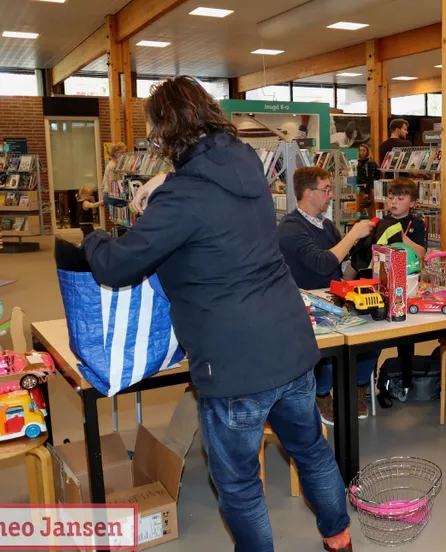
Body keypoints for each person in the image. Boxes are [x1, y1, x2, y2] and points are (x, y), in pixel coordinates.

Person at [82, 76, 353, 552]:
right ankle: (339, 539)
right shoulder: (246, 161)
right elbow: (208, 176)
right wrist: (166, 178)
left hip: (233, 367)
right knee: (311, 452)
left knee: (241, 485)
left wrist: (91, 235)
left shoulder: (181, 199)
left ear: (165, 132)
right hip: (291, 344)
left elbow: (117, 265)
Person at [278, 166, 380, 423]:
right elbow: (322, 263)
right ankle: (322, 393)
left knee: (374, 335)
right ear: (308, 193)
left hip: (334, 299)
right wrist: (353, 235)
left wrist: (360, 260)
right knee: (330, 350)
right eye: (326, 190)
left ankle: (358, 386)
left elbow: (340, 273)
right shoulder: (290, 227)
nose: (331, 195)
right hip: (306, 306)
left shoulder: (326, 225)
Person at [382, 177, 427, 260]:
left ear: (412, 203)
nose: (394, 202)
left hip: (409, 268)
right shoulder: (382, 222)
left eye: (400, 198)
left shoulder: (418, 224)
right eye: (390, 197)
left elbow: (420, 254)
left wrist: (402, 237)